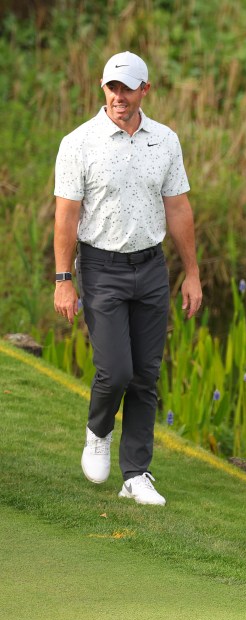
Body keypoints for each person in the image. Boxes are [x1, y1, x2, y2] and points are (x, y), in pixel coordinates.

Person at [52, 51, 202, 506]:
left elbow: (177, 207)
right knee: (116, 370)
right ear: (103, 89)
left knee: (146, 376)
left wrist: (192, 272)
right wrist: (63, 278)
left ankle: (136, 473)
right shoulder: (79, 143)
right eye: (111, 88)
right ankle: (98, 432)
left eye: (127, 88)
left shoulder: (165, 141)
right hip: (102, 269)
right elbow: (66, 217)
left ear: (144, 91)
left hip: (152, 267)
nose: (119, 97)